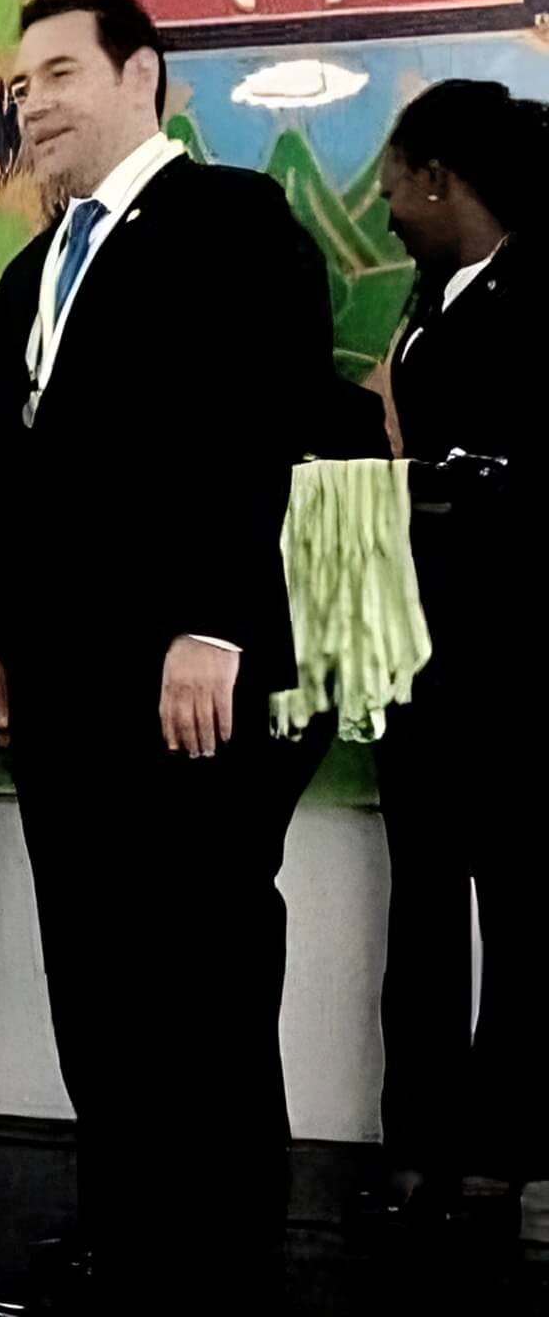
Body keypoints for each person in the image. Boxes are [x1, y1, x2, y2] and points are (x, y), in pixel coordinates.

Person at [0, 0, 332, 1312]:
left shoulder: (231, 221)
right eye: (21, 81)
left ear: (141, 75)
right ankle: (124, 1223)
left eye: (59, 72)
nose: (33, 103)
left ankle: (220, 1247)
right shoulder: (38, 264)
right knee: (95, 960)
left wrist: (216, 622)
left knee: (204, 961)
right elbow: (10, 458)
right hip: (56, 676)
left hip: (186, 670)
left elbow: (258, 429)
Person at [352, 79, 548, 1236]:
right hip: (419, 654)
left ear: (441, 181)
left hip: (520, 661)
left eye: (394, 191)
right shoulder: (428, 302)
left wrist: (469, 483)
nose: (384, 214)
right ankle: (415, 1137)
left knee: (520, 908)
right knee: (420, 905)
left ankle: (505, 1148)